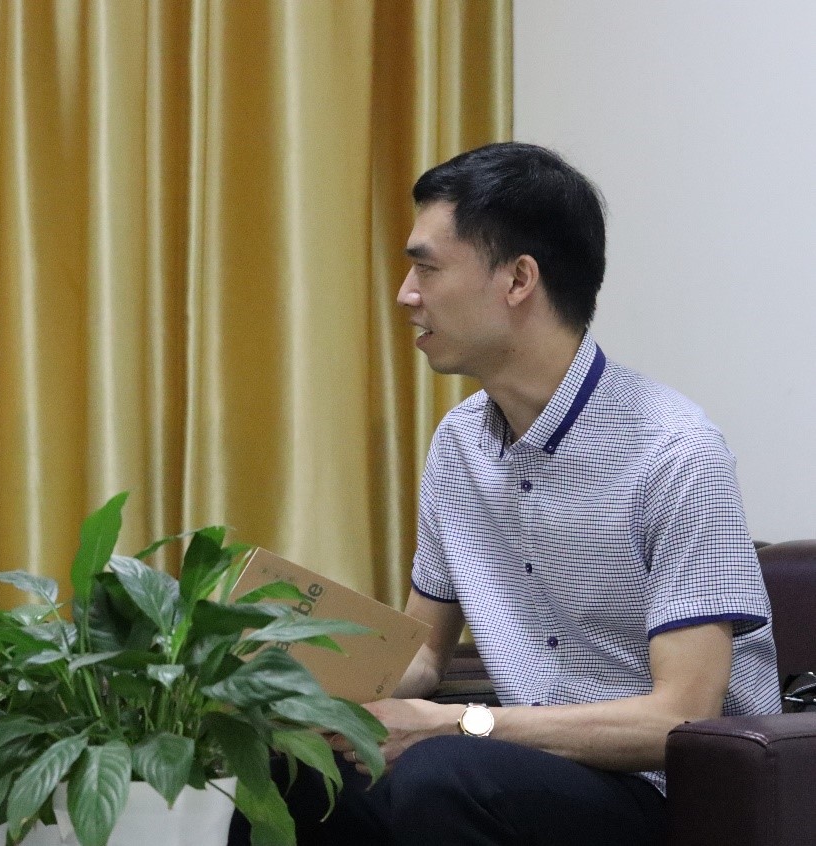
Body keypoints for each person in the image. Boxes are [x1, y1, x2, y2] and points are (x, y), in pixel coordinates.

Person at [231, 142, 780, 846]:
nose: (405, 294)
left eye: (428, 267)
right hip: (521, 771)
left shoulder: (674, 452)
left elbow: (678, 718)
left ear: (518, 279)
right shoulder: (458, 443)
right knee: (297, 771)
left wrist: (457, 724)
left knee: (443, 773)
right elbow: (423, 657)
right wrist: (296, 681)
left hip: (667, 796)